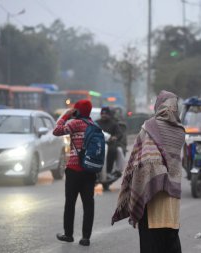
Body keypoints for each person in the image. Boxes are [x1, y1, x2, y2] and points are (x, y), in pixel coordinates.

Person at [111, 90, 185, 253]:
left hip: (151, 195)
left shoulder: (150, 126)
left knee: (150, 241)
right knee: (171, 238)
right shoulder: (180, 130)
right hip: (172, 196)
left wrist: (152, 178)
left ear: (159, 106)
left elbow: (142, 161)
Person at [53, 100, 96, 246]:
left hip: (74, 170)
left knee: (70, 203)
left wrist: (65, 115)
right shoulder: (94, 125)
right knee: (88, 204)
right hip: (90, 170)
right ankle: (86, 238)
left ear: (77, 111)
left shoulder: (75, 123)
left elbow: (56, 131)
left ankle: (68, 234)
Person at [96, 107, 123, 179]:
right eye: (102, 113)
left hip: (109, 143)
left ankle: (109, 171)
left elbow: (119, 133)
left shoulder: (113, 124)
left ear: (109, 114)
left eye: (105, 114)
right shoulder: (96, 123)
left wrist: (115, 137)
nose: (104, 115)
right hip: (97, 143)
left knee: (112, 151)